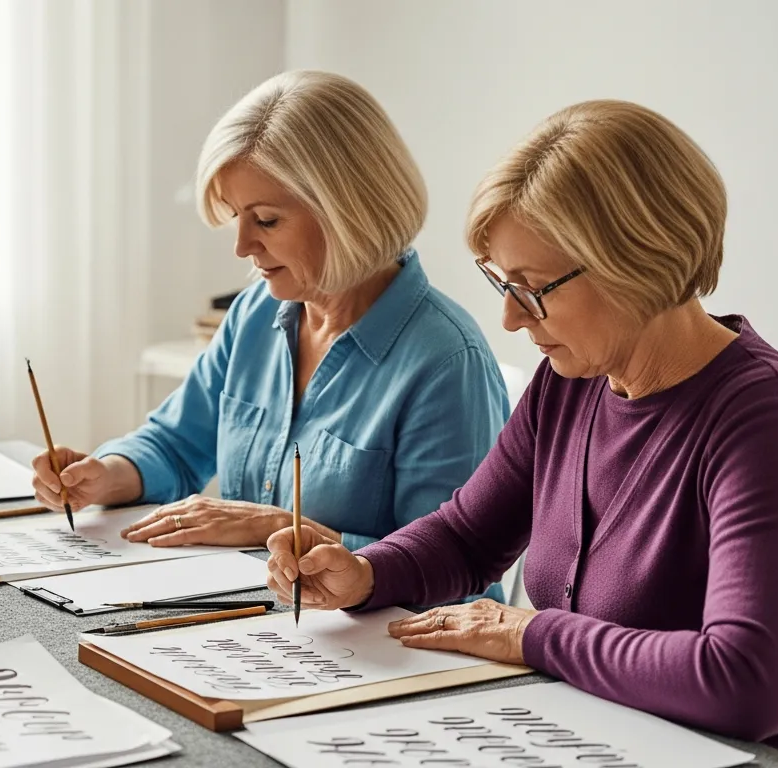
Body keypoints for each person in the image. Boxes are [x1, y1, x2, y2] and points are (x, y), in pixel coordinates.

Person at [266, 99, 778, 765]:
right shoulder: (572, 379)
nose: (511, 319)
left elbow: (746, 683)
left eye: (532, 289)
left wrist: (532, 635)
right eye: (502, 285)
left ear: (637, 262)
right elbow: (469, 537)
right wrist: (364, 573)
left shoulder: (766, 417)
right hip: (595, 735)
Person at [33, 70, 509, 603]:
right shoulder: (258, 312)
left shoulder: (446, 362)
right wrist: (107, 475)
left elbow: (455, 577)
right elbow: (176, 443)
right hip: (253, 625)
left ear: (347, 209)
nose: (241, 245)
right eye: (236, 216)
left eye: (265, 220)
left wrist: (274, 527)